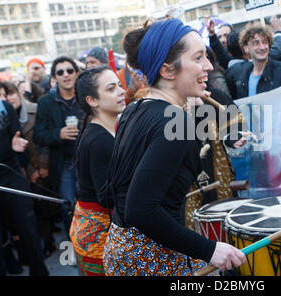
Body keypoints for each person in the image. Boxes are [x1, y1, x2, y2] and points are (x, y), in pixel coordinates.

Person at [102, 18, 246, 276]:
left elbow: (114, 191)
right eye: (199, 57)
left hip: (121, 249)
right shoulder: (176, 122)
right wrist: (210, 249)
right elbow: (140, 209)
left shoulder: (136, 108)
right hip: (151, 256)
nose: (209, 65)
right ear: (167, 71)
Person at [69, 66, 125, 276]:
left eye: (119, 85)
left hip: (96, 229)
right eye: (111, 89)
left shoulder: (109, 129)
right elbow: (107, 196)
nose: (120, 91)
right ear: (92, 100)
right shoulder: (100, 139)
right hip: (98, 236)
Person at [0, 80, 49, 276]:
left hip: (11, 174)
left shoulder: (3, 107)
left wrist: (16, 147)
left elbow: (18, 139)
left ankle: (39, 271)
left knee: (27, 227)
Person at [33, 56, 83, 237]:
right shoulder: (46, 102)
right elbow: (38, 135)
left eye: (70, 70)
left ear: (76, 73)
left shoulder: (86, 96)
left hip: (87, 160)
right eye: (60, 72)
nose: (66, 75)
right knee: (69, 206)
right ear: (54, 77)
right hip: (64, 164)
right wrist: (58, 134)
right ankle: (76, 248)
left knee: (95, 205)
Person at [225, 23, 281, 100]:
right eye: (256, 43)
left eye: (265, 42)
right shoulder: (240, 74)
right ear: (246, 48)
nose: (262, 47)